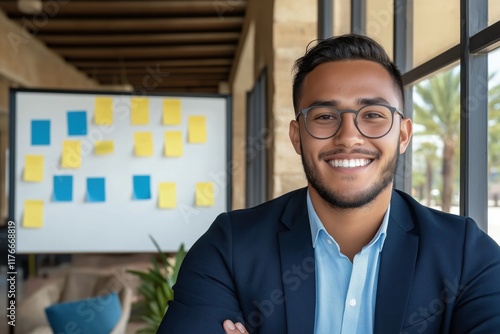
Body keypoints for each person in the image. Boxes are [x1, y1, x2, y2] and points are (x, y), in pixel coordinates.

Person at [157, 34, 500, 334]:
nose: (348, 137)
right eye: (324, 117)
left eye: (373, 115)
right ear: (296, 137)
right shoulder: (230, 247)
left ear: (403, 134)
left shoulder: (465, 255)